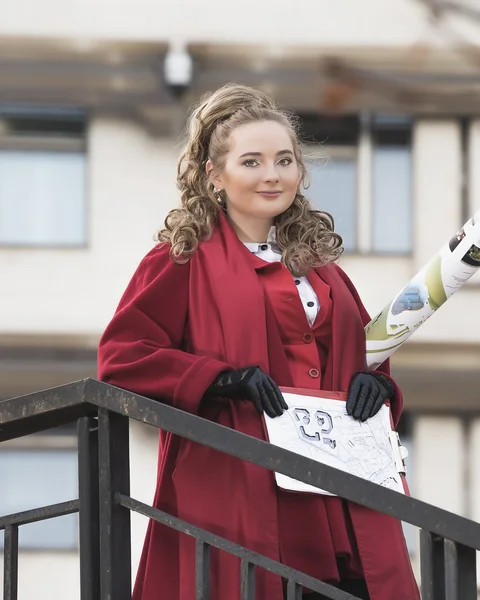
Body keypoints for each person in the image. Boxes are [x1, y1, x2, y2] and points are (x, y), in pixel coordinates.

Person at [97, 83, 420, 600]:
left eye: (285, 160)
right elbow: (121, 358)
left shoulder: (323, 270)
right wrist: (220, 379)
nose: (273, 175)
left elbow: (367, 362)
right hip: (240, 484)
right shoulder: (182, 259)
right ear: (214, 175)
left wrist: (375, 386)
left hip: (337, 491)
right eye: (252, 161)